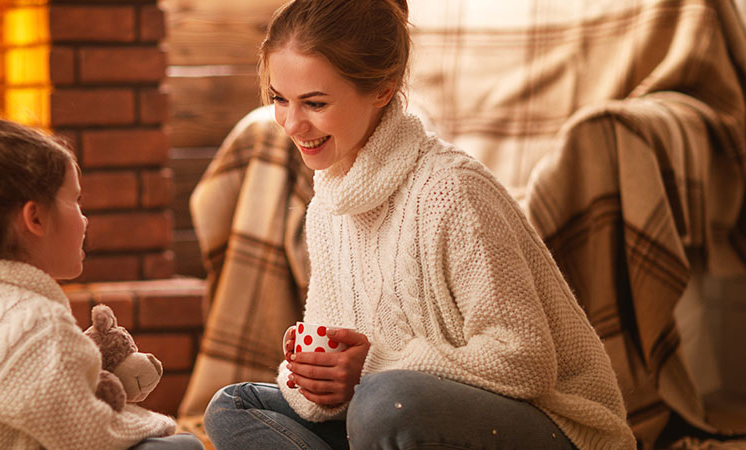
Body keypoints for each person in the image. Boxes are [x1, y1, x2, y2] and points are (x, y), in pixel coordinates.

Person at [202, 1, 636, 449]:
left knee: (384, 402)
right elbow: (336, 390)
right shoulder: (329, 203)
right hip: (399, 414)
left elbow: (524, 361)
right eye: (279, 99)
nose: (292, 124)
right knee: (232, 407)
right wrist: (313, 376)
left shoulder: (451, 190)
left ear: (383, 90)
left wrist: (371, 368)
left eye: (315, 102)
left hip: (551, 427)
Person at [0, 115, 204, 450]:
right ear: (36, 218)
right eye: (76, 200)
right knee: (183, 447)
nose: (84, 219)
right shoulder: (39, 324)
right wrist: (157, 423)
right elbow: (92, 434)